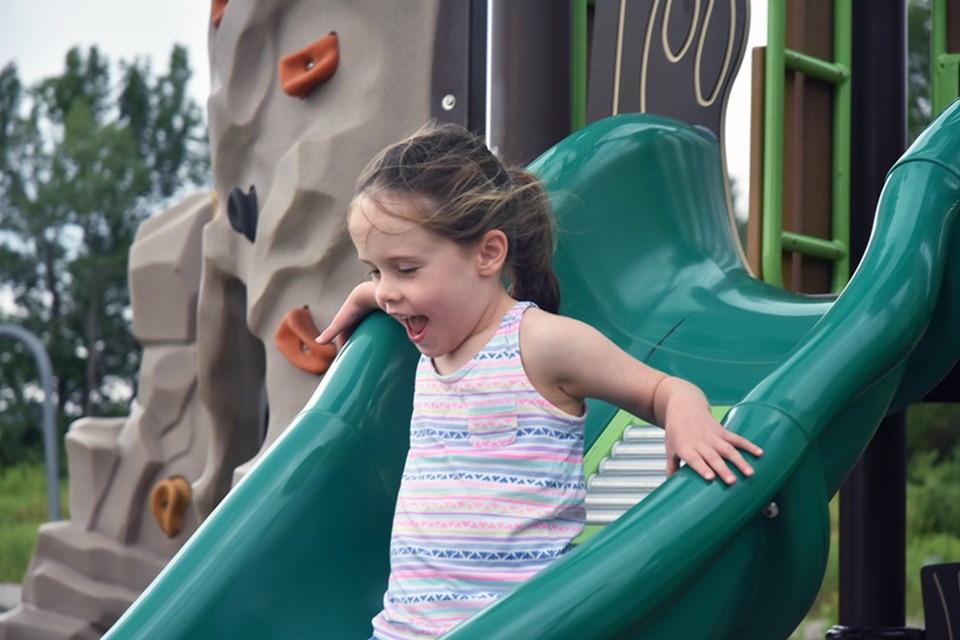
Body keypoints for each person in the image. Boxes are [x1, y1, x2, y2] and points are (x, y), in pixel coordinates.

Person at [316, 122, 763, 640]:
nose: (388, 293)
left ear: (488, 254)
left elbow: (666, 390)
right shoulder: (433, 326)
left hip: (519, 627)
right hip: (405, 630)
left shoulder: (540, 343)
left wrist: (686, 416)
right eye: (375, 271)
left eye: (405, 270)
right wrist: (365, 295)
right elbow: (401, 288)